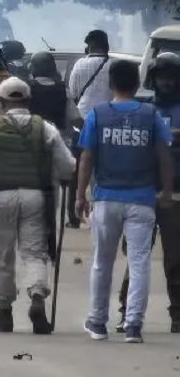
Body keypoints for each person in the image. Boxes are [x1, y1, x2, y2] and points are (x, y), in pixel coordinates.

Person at [0, 77, 75, 335]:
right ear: (28, 100)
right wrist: (62, 177)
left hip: (0, 197)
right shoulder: (44, 128)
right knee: (35, 253)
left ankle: (4, 314)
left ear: (1, 101)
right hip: (36, 197)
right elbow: (68, 165)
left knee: (1, 255)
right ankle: (37, 297)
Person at [75, 59, 174, 343]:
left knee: (102, 262)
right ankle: (133, 326)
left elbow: (86, 159)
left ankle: (97, 322)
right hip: (142, 199)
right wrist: (166, 191)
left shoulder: (97, 115)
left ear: (111, 84)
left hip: (106, 198)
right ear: (138, 84)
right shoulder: (151, 115)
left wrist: (80, 196)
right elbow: (164, 156)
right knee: (139, 262)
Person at [117, 52, 180, 334]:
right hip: (141, 195)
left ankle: (178, 314)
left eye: (172, 77)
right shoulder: (141, 110)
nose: (167, 82)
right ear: (153, 79)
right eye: (162, 77)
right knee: (136, 257)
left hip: (175, 197)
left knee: (176, 259)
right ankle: (126, 311)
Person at [26, 51, 84, 228]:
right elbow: (76, 118)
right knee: (57, 181)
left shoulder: (28, 89)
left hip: (30, 142)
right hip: (57, 142)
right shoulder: (62, 91)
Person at [69, 29, 113, 119]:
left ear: (89, 47)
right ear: (107, 46)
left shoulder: (79, 64)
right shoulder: (113, 65)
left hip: (83, 115)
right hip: (107, 116)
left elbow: (73, 93)